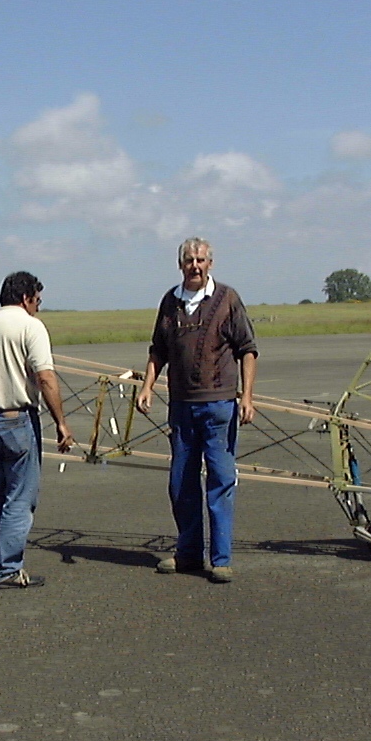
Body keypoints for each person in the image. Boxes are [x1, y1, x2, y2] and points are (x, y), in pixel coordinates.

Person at [135, 237, 257, 583]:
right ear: (180, 264)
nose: (195, 266)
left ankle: (221, 559)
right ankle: (188, 553)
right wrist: (147, 386)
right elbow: (158, 350)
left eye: (201, 260)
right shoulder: (170, 302)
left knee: (220, 481)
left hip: (219, 405)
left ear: (210, 263)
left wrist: (247, 397)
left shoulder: (227, 299)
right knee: (181, 483)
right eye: (189, 260)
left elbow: (247, 349)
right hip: (181, 407)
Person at [0, 271, 75, 588]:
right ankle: (8, 569)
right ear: (26, 298)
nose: (38, 306)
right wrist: (61, 422)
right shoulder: (30, 326)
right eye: (37, 300)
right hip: (18, 420)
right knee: (20, 498)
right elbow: (45, 377)